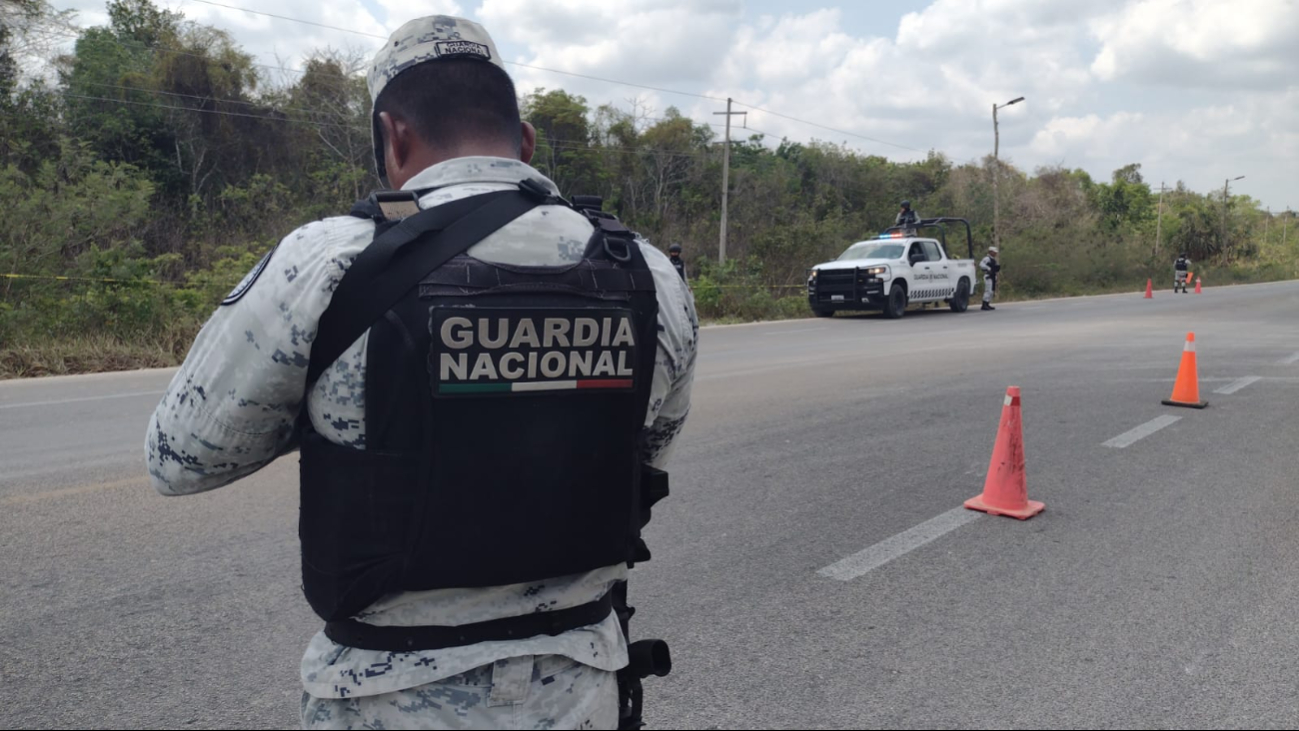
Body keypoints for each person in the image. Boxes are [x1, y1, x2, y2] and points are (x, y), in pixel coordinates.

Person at [144, 14, 697, 731]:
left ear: (394, 137)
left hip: (384, 700)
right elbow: (645, 457)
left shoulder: (328, 263)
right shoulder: (649, 275)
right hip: (581, 689)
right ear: (523, 140)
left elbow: (178, 459)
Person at [980, 246, 1001, 310]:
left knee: (991, 291)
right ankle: (984, 304)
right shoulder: (987, 258)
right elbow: (981, 264)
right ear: (991, 252)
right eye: (994, 252)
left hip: (992, 276)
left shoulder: (993, 259)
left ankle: (987, 303)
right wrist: (988, 268)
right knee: (988, 290)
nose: (995, 254)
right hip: (988, 276)